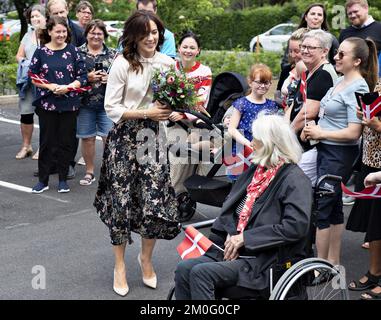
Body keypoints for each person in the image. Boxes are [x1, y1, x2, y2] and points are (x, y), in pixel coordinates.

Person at [174, 114, 313, 300]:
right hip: (236, 250)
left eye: (256, 139)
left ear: (270, 144)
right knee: (184, 269)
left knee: (201, 274)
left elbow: (295, 226)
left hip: (265, 260)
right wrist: (232, 233)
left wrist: (245, 238)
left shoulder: (294, 179)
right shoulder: (256, 171)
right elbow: (231, 209)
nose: (252, 143)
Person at [93, 10, 181, 297]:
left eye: (155, 32)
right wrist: (148, 112)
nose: (151, 38)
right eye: (145, 33)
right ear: (134, 36)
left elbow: (175, 101)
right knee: (120, 201)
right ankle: (119, 265)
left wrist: (179, 110)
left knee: (152, 200)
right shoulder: (122, 63)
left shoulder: (168, 63)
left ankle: (146, 258)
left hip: (153, 138)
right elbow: (112, 108)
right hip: (123, 138)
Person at [302, 37, 377, 268]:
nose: (336, 56)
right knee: (332, 206)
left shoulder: (359, 87)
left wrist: (320, 133)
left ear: (357, 61)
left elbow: (354, 133)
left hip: (338, 155)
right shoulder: (341, 81)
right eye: (337, 53)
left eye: (341, 54)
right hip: (325, 150)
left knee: (323, 207)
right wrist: (312, 131)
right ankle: (332, 262)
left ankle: (319, 266)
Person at [29, 16, 87, 194]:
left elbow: (82, 76)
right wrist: (50, 86)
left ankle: (63, 179)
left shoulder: (73, 51)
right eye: (58, 31)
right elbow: (33, 75)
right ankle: (43, 180)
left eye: (64, 31)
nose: (61, 34)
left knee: (66, 142)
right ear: (50, 32)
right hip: (47, 104)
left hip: (69, 103)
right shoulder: (41, 52)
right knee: (47, 142)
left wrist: (69, 87)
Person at [345, 53, 381, 299]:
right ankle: (375, 273)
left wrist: (377, 125)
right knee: (375, 225)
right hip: (373, 160)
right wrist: (366, 117)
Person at [286, 29, 337, 186]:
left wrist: (286, 136)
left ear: (324, 51)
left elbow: (308, 112)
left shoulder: (323, 74)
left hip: (313, 144)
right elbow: (295, 103)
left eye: (311, 48)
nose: (305, 51)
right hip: (300, 138)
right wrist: (283, 126)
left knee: (297, 183)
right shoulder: (308, 71)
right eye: (303, 46)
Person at [167, 31, 212, 195]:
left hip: (196, 119)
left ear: (198, 50)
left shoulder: (204, 71)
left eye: (192, 47)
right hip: (172, 120)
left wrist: (184, 114)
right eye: (185, 46)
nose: (188, 50)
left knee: (201, 153)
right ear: (178, 48)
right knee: (178, 156)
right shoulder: (170, 68)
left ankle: (193, 193)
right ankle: (175, 193)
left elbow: (200, 100)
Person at [77, 19, 117, 186]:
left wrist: (111, 79)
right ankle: (89, 171)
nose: (95, 36)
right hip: (84, 104)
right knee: (87, 139)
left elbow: (122, 78)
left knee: (110, 138)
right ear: (86, 34)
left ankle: (110, 171)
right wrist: (88, 78)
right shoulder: (77, 53)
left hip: (107, 105)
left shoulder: (114, 55)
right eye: (92, 32)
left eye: (99, 33)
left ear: (104, 36)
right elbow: (72, 78)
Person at [227, 63, 279, 180]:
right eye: (259, 82)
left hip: (262, 150)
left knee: (259, 182)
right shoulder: (242, 103)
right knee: (238, 183)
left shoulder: (271, 105)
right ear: (250, 82)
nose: (262, 86)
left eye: (266, 83)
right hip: (241, 148)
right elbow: (231, 129)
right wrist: (247, 143)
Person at [15, 4, 46, 160]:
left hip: (44, 83)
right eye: (32, 16)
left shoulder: (49, 35)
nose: (35, 19)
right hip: (28, 82)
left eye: (37, 16)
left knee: (44, 116)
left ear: (45, 17)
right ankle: (26, 146)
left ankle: (43, 147)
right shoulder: (28, 35)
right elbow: (19, 55)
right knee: (26, 114)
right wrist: (26, 63)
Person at [281, 3, 339, 69]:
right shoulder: (296, 37)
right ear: (306, 17)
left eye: (319, 15)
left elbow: (339, 64)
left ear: (323, 19)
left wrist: (322, 70)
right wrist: (298, 69)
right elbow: (284, 63)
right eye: (312, 14)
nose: (316, 17)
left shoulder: (330, 39)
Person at [275, 28, 308, 110]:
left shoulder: (313, 72)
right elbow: (278, 93)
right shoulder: (287, 69)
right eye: (290, 51)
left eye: (297, 51)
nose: (293, 55)